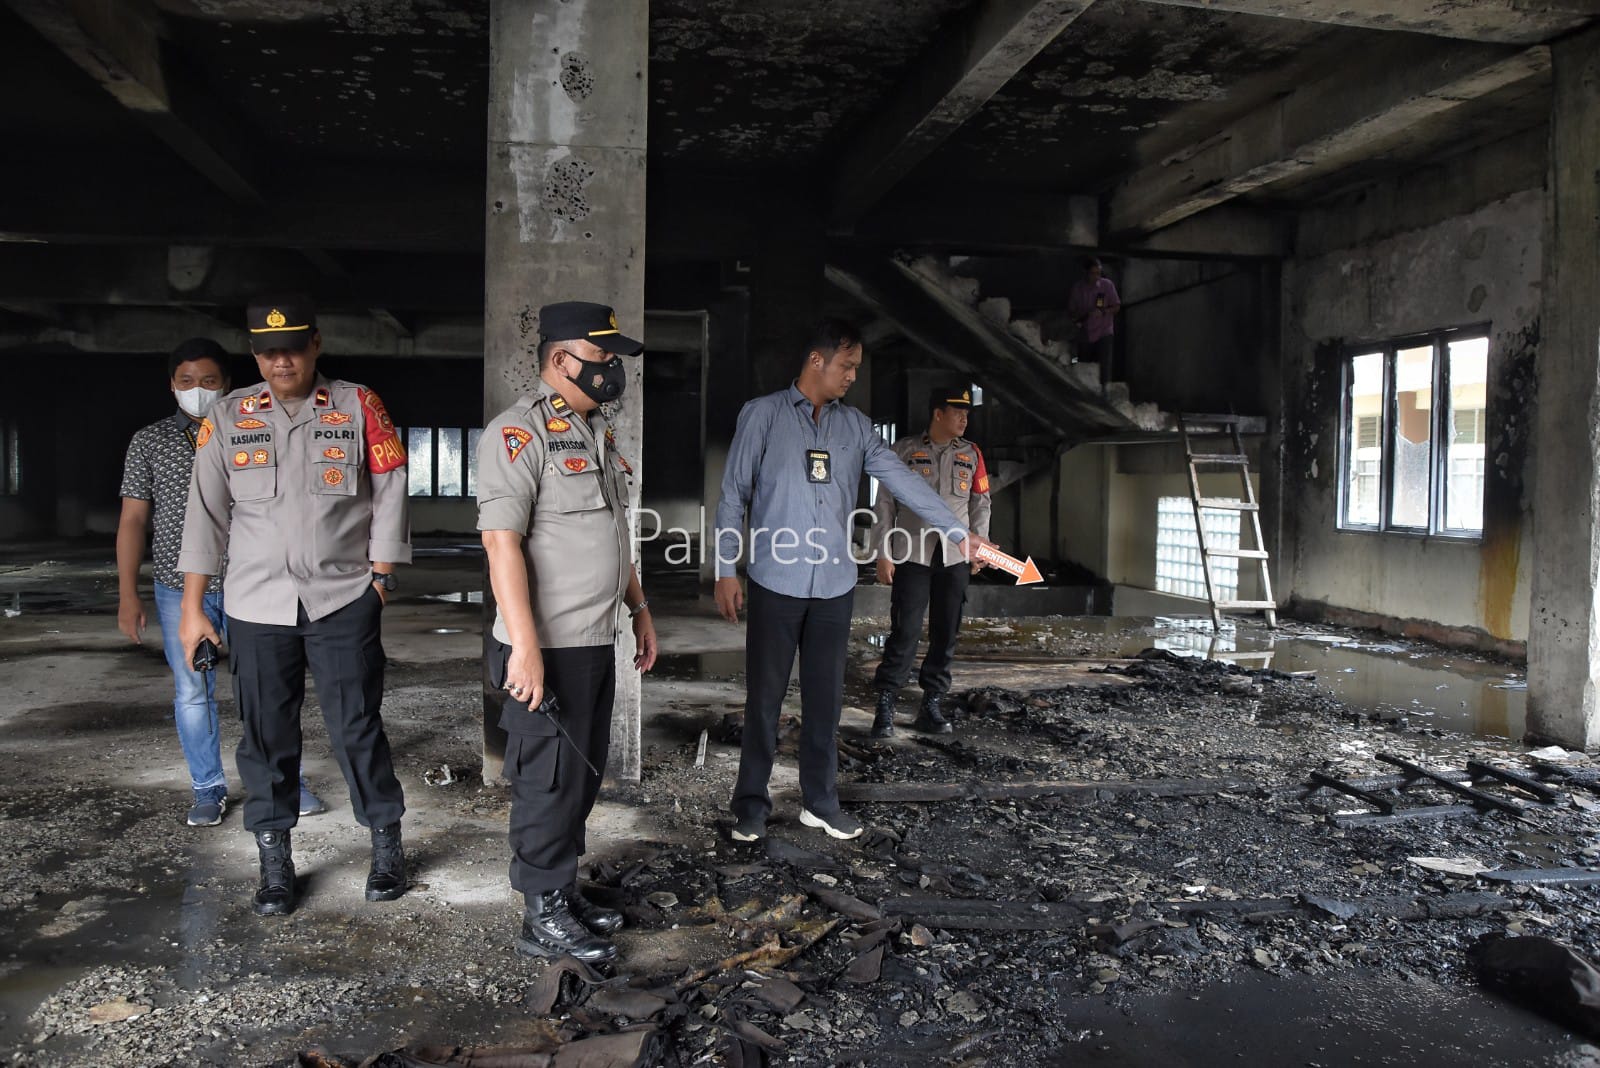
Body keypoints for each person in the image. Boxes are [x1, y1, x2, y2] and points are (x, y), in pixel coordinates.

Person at [714, 319, 995, 845]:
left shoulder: (857, 428)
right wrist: (725, 570)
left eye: (856, 369)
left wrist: (959, 532)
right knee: (765, 698)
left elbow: (905, 482)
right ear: (816, 361)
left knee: (826, 700)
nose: (851, 377)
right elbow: (734, 495)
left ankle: (819, 802)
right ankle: (750, 804)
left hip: (834, 586)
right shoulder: (763, 416)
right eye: (846, 367)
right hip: (776, 580)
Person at [177, 295, 411, 917]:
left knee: (357, 726)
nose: (281, 360)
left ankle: (385, 846)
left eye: (293, 347)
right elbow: (205, 515)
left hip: (342, 599)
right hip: (256, 606)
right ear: (255, 355)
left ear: (315, 345)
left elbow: (389, 488)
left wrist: (381, 577)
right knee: (265, 736)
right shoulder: (228, 417)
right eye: (267, 351)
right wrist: (193, 608)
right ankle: (275, 861)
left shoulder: (360, 405)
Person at [477, 301, 657, 964]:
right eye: (603, 358)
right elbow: (502, 545)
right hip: (544, 646)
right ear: (561, 360)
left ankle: (563, 889)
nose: (613, 370)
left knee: (579, 779)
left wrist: (638, 608)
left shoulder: (595, 432)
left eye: (614, 360)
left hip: (593, 637)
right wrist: (523, 647)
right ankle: (541, 914)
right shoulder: (517, 435)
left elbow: (615, 536)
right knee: (547, 781)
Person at [116, 340, 326, 827]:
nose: (198, 391)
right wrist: (128, 593)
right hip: (177, 585)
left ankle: (280, 783)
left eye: (209, 381)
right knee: (193, 690)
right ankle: (207, 787)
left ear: (227, 384)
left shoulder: (254, 429)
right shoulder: (149, 442)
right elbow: (132, 521)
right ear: (172, 385)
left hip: (251, 582)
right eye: (186, 382)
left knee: (265, 689)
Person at [869, 385, 993, 737]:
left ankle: (931, 704)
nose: (964, 419)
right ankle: (887, 704)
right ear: (938, 414)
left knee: (945, 632)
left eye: (967, 413)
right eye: (957, 413)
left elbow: (980, 503)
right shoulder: (904, 451)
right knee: (905, 630)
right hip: (912, 552)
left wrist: (979, 549)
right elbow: (885, 506)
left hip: (955, 556)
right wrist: (883, 552)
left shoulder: (972, 454)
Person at [1067, 257, 1121, 389]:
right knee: (1081, 362)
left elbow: (1117, 306)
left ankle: (1106, 393)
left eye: (1098, 273)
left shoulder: (1107, 285)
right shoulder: (1078, 288)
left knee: (1105, 366)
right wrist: (1079, 318)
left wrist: (1103, 312)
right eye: (1093, 273)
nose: (1096, 277)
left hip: (1104, 331)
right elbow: (1071, 311)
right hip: (1085, 332)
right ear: (1085, 273)